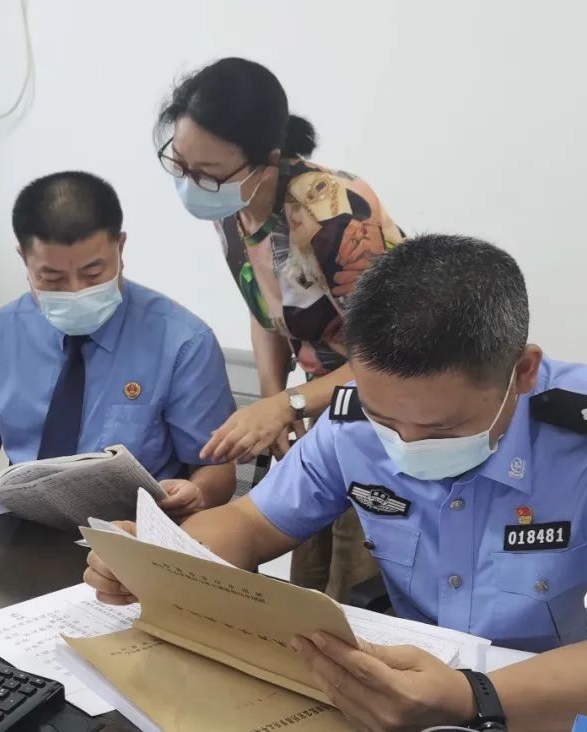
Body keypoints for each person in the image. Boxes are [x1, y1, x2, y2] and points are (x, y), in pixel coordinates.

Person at [86, 235, 587, 731]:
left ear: (521, 371)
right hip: (397, 692)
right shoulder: (353, 419)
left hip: (553, 707)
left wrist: (472, 697)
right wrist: (159, 559)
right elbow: (250, 524)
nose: (406, 444)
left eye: (442, 427)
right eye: (386, 420)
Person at [157, 56, 404, 598]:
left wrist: (286, 406)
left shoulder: (335, 216)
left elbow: (395, 360)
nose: (192, 185)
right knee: (304, 579)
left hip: (390, 415)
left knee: (355, 586)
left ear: (265, 163)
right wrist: (274, 403)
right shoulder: (232, 204)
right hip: (320, 407)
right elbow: (267, 308)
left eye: (207, 173)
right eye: (180, 164)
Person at [0, 171, 237, 517]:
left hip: (131, 529)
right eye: (51, 278)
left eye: (93, 274)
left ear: (121, 247)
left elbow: (217, 471)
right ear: (23, 258)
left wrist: (198, 492)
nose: (75, 291)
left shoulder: (183, 342)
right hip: (25, 522)